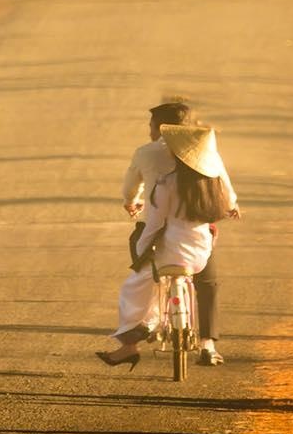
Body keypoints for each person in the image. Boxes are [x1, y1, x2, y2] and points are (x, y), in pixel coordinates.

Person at [99, 123, 235, 367]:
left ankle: (133, 340)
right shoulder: (212, 183)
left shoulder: (167, 183)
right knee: (207, 281)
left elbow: (155, 222)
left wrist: (142, 251)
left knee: (135, 285)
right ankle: (207, 343)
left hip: (169, 249)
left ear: (177, 154)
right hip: (200, 250)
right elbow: (226, 205)